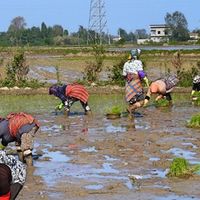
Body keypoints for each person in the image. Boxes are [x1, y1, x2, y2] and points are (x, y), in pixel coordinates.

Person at [122, 49, 149, 116]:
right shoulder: (138, 62)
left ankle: (131, 119)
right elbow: (140, 72)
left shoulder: (126, 63)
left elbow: (124, 75)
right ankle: (131, 109)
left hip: (128, 85)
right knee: (142, 101)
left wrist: (129, 79)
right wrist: (145, 79)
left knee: (131, 101)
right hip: (136, 84)